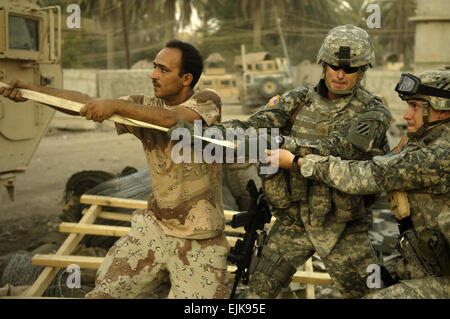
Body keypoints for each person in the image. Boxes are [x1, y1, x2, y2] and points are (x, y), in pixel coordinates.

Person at [171, 25, 392, 298]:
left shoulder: (374, 112)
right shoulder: (298, 100)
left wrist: (282, 145)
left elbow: (343, 150)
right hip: (292, 223)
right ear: (323, 63)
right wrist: (205, 134)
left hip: (344, 228)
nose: (340, 74)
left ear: (363, 70)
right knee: (257, 295)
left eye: (350, 69)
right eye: (334, 66)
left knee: (369, 296)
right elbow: (253, 126)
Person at [0, 40, 230, 299]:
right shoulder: (144, 107)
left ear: (186, 78)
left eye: (163, 70)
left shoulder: (206, 101)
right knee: (105, 293)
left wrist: (116, 105)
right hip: (154, 227)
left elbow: (172, 120)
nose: (153, 75)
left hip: (200, 237)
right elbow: (86, 103)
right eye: (155, 67)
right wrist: (32, 91)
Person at [268, 69, 450, 298]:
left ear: (441, 110)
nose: (406, 115)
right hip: (428, 266)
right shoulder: (421, 143)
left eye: (415, 106)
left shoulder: (439, 154)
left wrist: (298, 162)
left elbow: (365, 175)